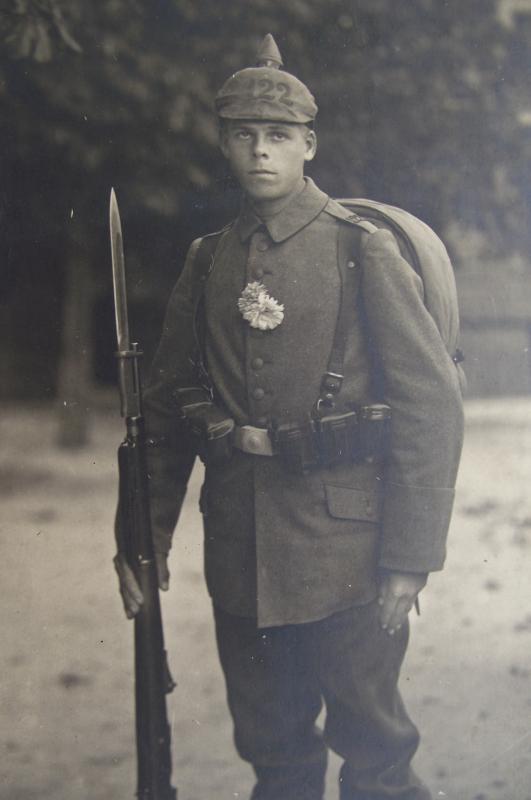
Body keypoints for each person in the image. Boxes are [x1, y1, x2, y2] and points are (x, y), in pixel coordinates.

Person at [114, 34, 464, 800]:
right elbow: (165, 409)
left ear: (308, 144)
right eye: (243, 135)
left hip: (350, 552)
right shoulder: (207, 259)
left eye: (277, 135)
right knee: (273, 752)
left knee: (375, 751)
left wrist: (410, 555)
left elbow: (429, 408)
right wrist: (142, 539)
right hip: (241, 547)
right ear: (223, 145)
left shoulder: (359, 250)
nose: (260, 151)